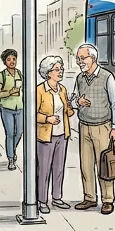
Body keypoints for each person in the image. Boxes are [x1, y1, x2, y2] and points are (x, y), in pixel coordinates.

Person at [71, 43, 115, 215]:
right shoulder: (79, 78)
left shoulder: (107, 77)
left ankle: (108, 200)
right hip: (84, 126)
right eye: (78, 58)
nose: (79, 62)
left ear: (93, 58)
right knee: (86, 165)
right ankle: (90, 197)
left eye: (82, 58)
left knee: (104, 165)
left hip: (102, 127)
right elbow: (72, 99)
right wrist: (77, 102)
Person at [35, 55, 75, 214]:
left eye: (61, 69)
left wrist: (75, 105)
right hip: (45, 136)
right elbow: (32, 114)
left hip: (61, 135)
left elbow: (68, 111)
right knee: (44, 170)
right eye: (57, 69)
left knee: (59, 169)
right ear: (47, 72)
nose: (60, 72)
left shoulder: (62, 89)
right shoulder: (39, 90)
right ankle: (42, 201)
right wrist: (47, 119)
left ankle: (57, 198)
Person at [0, 49, 22, 169]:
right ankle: (11, 158)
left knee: (19, 132)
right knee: (10, 134)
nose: (12, 62)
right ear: (4, 62)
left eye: (14, 59)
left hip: (20, 107)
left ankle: (12, 149)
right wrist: (10, 92)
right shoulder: (2, 75)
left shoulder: (20, 73)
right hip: (6, 108)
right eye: (9, 59)